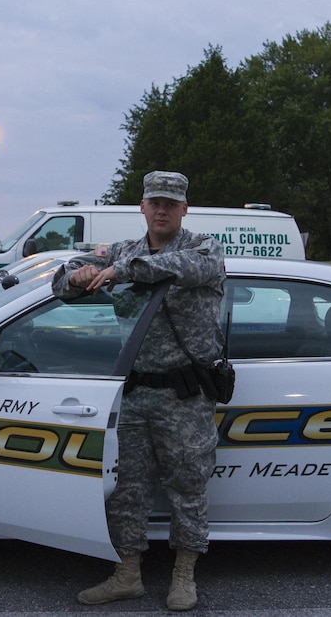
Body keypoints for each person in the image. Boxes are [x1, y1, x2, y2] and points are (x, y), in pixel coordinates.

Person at [52, 170, 225, 611]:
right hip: (134, 395)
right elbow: (66, 278)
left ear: (185, 209)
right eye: (155, 202)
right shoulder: (122, 251)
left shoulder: (203, 249)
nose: (162, 210)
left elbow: (178, 269)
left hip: (185, 396)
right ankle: (126, 574)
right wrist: (79, 276)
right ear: (142, 207)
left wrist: (118, 271)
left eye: (171, 203)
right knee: (126, 487)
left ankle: (183, 576)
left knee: (189, 486)